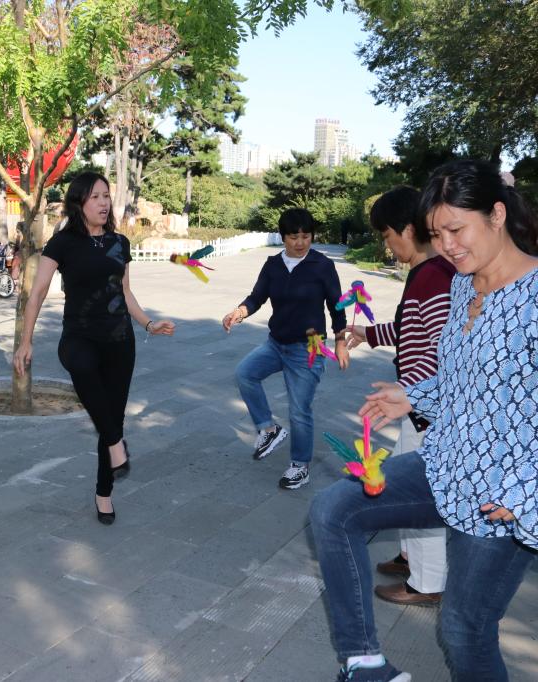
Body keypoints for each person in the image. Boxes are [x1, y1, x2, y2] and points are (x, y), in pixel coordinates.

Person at [310, 159, 538, 682]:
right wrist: (412, 396)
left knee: (463, 630)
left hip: (501, 497)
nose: (447, 246)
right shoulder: (462, 286)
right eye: (436, 234)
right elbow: (465, 382)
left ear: (496, 214)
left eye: (456, 229)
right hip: (444, 463)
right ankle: (364, 663)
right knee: (333, 510)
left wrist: (527, 490)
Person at [13, 172, 174, 525]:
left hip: (120, 340)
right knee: (82, 368)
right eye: (95, 197)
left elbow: (125, 292)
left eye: (106, 196)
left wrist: (148, 324)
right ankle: (116, 442)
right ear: (79, 203)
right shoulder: (63, 243)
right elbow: (37, 292)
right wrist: (25, 341)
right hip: (79, 337)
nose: (103, 203)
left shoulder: (120, 242)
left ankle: (104, 492)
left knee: (111, 416)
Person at [345, 186, 456, 607]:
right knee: (403, 479)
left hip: (427, 409)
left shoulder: (434, 276)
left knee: (416, 491)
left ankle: (427, 583)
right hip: (419, 406)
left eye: (387, 235)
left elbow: (447, 347)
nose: (387, 246)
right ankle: (410, 558)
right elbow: (411, 328)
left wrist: (415, 395)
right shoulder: (428, 273)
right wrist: (368, 333)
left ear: (408, 229)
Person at [223, 208, 349, 490]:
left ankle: (300, 466)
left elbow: (337, 307)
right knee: (245, 374)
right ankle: (268, 429)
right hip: (276, 344)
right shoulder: (273, 265)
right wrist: (239, 312)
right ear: (283, 237)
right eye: (294, 237)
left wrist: (341, 342)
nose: (301, 242)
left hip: (309, 348)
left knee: (299, 410)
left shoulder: (322, 266)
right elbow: (257, 297)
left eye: (306, 236)